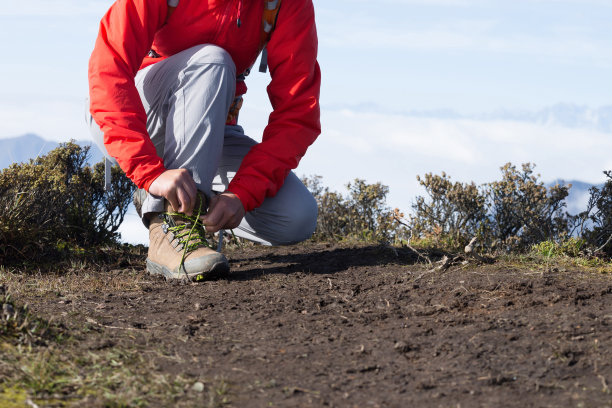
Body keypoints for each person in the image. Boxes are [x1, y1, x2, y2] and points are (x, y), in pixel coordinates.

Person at [87, 0, 321, 281]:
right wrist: (147, 171)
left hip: (212, 128)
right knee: (214, 60)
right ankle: (173, 224)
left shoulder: (284, 3)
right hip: (137, 116)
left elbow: (298, 113)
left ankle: (175, 205)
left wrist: (242, 194)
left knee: (295, 215)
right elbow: (108, 70)